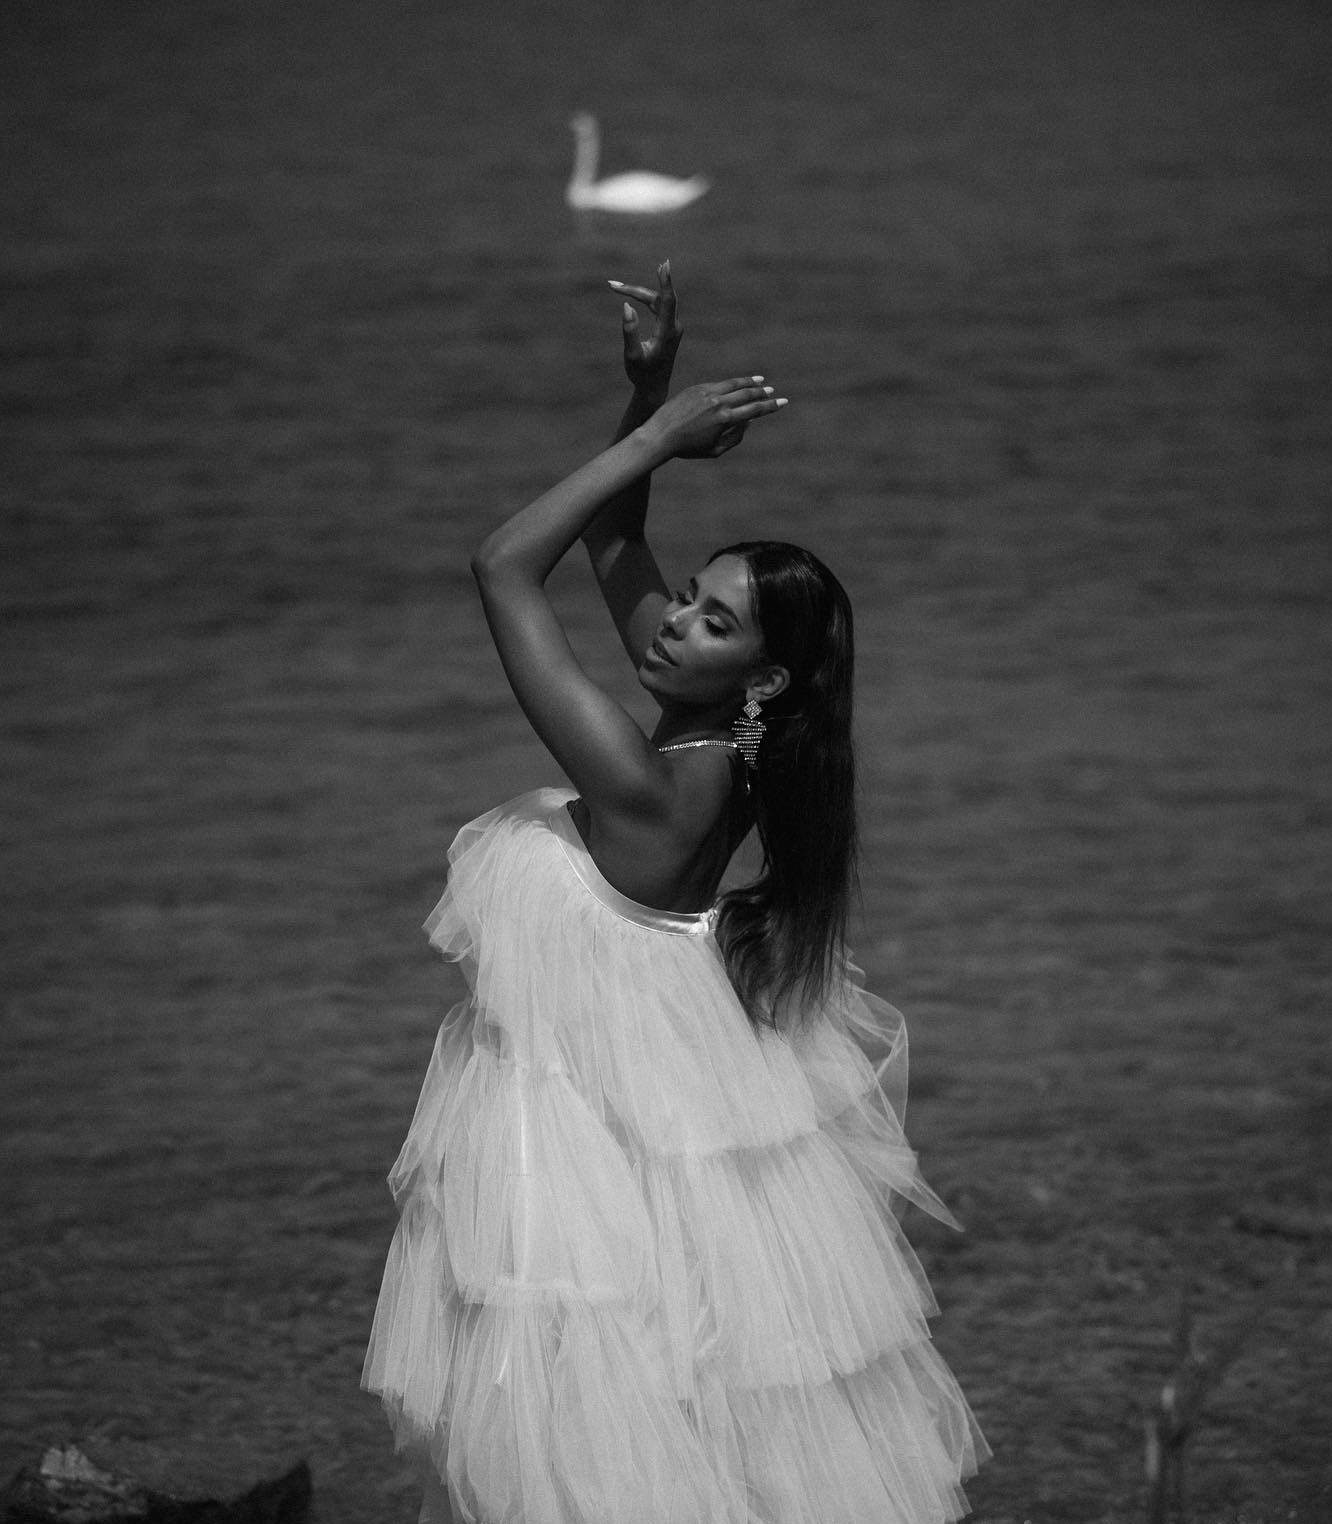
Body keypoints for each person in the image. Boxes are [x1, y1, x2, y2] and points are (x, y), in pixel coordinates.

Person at [363, 264, 987, 1524]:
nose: (670, 629)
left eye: (710, 625)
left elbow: (502, 566)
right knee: (674, 1367)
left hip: (591, 1099)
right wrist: (646, 388)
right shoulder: (738, 742)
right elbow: (605, 541)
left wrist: (656, 439)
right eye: (690, 602)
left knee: (582, 1384)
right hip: (652, 1059)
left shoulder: (652, 790)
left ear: (758, 679)